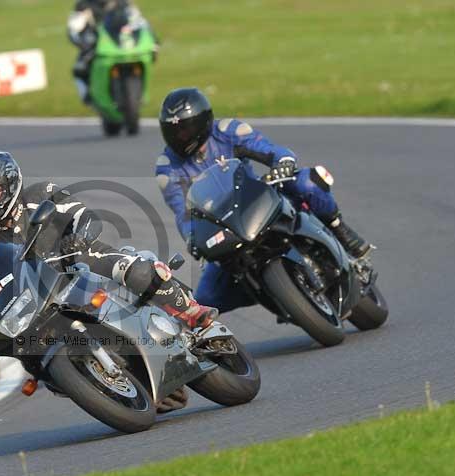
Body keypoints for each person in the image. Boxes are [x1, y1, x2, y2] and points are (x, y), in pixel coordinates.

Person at [154, 87, 371, 314]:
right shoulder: (167, 167)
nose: (180, 137)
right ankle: (273, 293)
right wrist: (192, 238)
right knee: (205, 299)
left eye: (185, 129)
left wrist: (283, 162)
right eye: (173, 131)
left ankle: (340, 230)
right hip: (226, 229)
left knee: (307, 182)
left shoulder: (228, 131)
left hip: (258, 199)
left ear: (202, 121)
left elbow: (269, 150)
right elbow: (183, 214)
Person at [0, 149, 218, 330]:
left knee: (139, 272)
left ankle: (191, 311)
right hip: (49, 299)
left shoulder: (41, 194)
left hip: (84, 260)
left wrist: (78, 239)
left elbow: (84, 216)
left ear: (10, 186)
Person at [66, 0, 149, 103]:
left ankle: (141, 93)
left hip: (121, 42)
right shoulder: (83, 5)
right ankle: (88, 95)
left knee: (144, 56)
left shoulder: (122, 3)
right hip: (97, 45)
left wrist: (153, 41)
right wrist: (84, 45)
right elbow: (73, 28)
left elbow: (139, 22)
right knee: (79, 69)